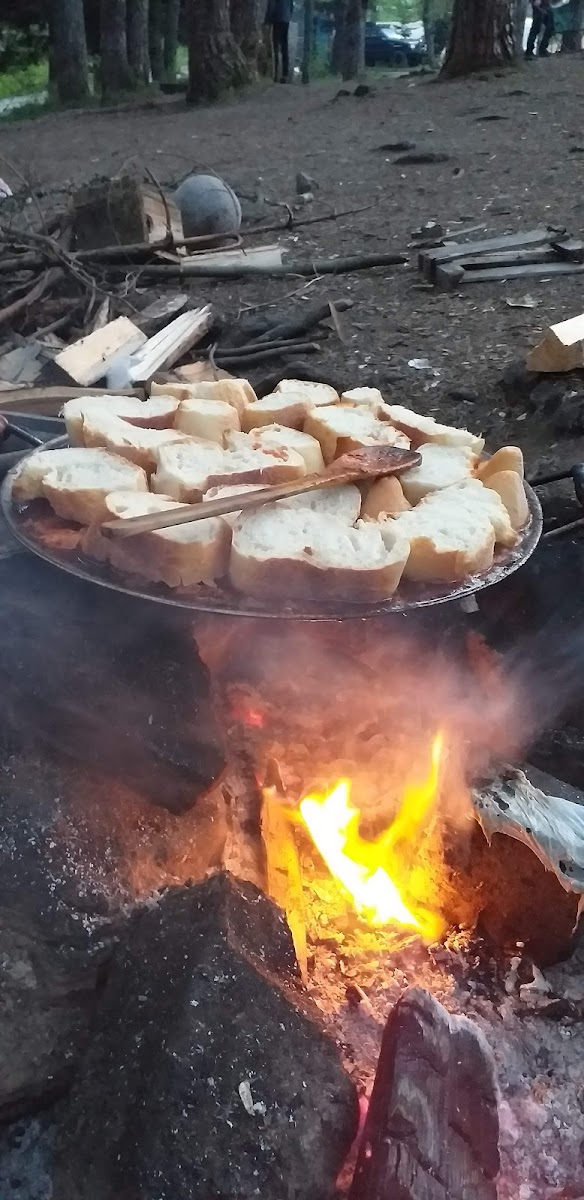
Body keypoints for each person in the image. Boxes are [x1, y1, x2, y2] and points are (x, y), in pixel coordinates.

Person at [265, 0, 293, 82]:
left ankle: (275, 73)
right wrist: (289, 15)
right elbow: (291, 5)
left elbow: (271, 5)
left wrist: (268, 20)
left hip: (277, 18)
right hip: (286, 18)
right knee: (284, 46)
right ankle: (285, 74)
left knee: (275, 46)